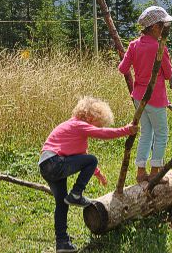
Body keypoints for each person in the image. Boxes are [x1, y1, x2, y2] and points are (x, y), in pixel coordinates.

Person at [38, 96, 138, 252]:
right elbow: (102, 134)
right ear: (91, 117)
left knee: (62, 204)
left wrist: (97, 173)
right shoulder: (78, 125)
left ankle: (62, 243)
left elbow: (81, 156)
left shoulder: (72, 130)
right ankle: (76, 194)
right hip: (55, 162)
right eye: (99, 124)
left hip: (46, 165)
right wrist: (126, 130)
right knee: (92, 159)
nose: (98, 127)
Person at [118, 6, 172, 184]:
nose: (165, 29)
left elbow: (123, 69)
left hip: (138, 97)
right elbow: (168, 73)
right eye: (163, 26)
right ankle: (155, 171)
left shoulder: (134, 45)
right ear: (155, 27)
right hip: (155, 97)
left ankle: (141, 172)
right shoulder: (159, 47)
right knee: (161, 133)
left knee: (146, 133)